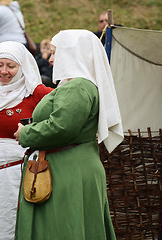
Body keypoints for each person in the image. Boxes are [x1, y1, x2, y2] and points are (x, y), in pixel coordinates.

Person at [14, 29, 124, 239]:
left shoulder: (77, 87)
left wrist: (26, 133)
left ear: (72, 54)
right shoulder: (73, 85)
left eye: (55, 53)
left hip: (69, 171)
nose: (51, 59)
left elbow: (62, 127)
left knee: (64, 229)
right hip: (69, 167)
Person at [0, 41, 54, 240]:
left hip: (14, 177)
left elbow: (62, 115)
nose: (4, 71)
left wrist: (36, 134)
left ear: (22, 67)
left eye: (11, 66)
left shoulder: (35, 93)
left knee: (7, 232)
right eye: (0, 65)